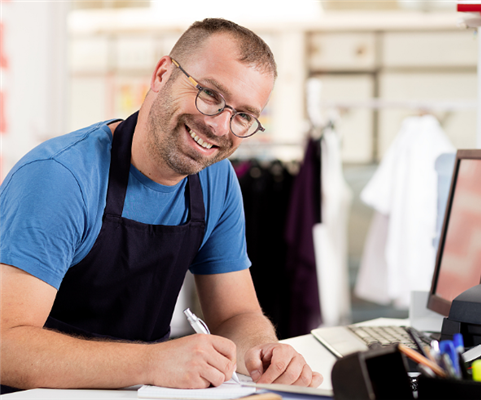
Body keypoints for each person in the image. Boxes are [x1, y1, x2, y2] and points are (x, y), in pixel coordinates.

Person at [0, 18, 323, 393]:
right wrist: (154, 361)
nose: (220, 127)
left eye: (243, 116)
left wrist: (264, 352)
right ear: (162, 73)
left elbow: (237, 314)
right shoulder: (60, 177)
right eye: (210, 95)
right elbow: (6, 346)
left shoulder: (215, 182)